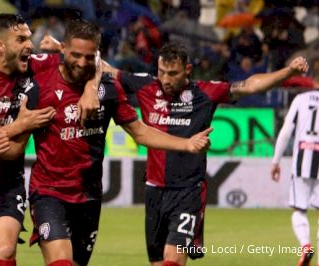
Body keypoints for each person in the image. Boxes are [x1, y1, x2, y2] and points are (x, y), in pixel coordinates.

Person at [0, 19, 212, 266]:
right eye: (75, 55)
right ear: (62, 48)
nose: (81, 63)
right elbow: (5, 65)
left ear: (96, 54)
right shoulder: (39, 79)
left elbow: (140, 132)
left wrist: (187, 144)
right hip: (48, 192)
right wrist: (12, 129)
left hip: (89, 196)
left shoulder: (108, 89)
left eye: (88, 57)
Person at [101, 43, 309, 266]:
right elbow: (106, 69)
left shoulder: (205, 92)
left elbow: (248, 86)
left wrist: (288, 72)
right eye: (161, 72)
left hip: (188, 192)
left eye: (173, 74)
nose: (166, 80)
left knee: (174, 259)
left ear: (187, 70)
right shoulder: (145, 85)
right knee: (158, 262)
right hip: (154, 190)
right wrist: (60, 48)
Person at [0, 14, 99, 266]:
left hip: (5, 184)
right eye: (21, 39)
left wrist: (91, 88)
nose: (30, 45)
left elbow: (90, 60)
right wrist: (20, 125)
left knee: (4, 248)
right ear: (0, 45)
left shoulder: (35, 66)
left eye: (30, 38)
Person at [271, 88, 319, 266]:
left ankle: (306, 247)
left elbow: (286, 131)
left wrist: (276, 161)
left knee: (299, 209)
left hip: (303, 161)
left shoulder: (301, 99)